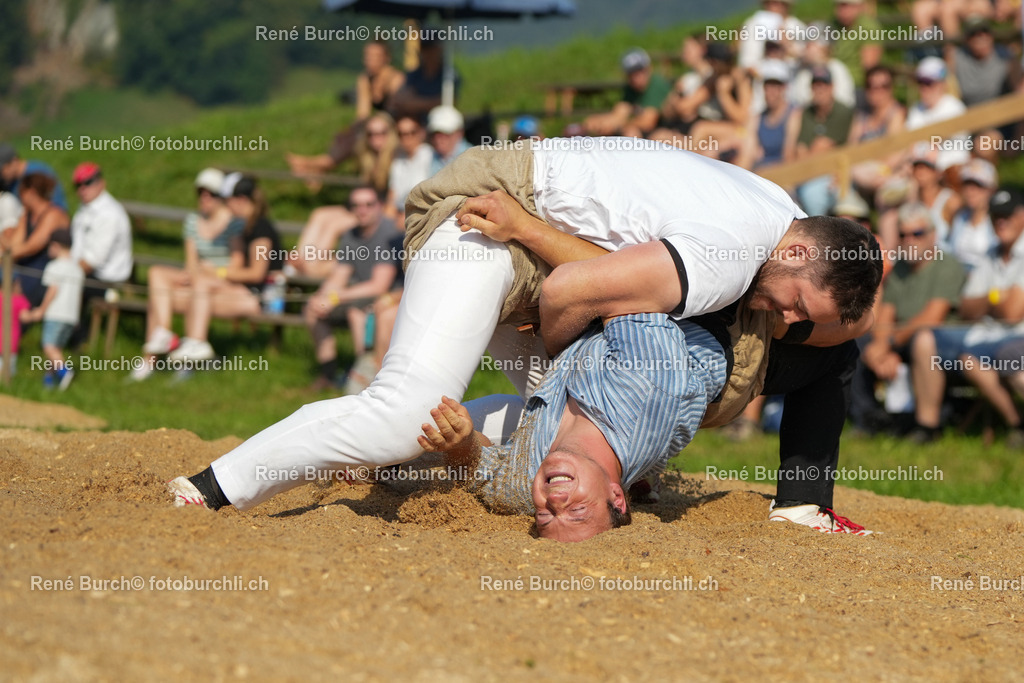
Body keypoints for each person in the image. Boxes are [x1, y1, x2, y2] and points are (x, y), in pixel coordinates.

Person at [166, 141, 882, 517]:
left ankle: (375, 466)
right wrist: (532, 238)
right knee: (405, 411)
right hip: (492, 213)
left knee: (537, 445)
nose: (785, 322)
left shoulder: (779, 211)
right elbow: (577, 288)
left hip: (528, 234)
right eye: (798, 307)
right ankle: (213, 485)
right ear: (795, 253)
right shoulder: (731, 260)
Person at [909, 188, 1024, 442]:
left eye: (1007, 215)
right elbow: (966, 308)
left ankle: (1017, 423)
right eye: (996, 215)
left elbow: (1014, 313)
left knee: (972, 360)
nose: (1001, 221)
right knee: (926, 338)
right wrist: (997, 297)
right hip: (982, 333)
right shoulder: (990, 254)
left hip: (1014, 338)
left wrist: (988, 301)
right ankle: (927, 427)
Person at [851, 204, 967, 434]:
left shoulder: (947, 264)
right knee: (856, 344)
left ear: (933, 235)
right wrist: (881, 346)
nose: (909, 239)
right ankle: (868, 417)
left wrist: (890, 345)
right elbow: (886, 313)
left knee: (921, 341)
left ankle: (926, 425)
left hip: (936, 341)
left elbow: (933, 316)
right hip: (900, 338)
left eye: (917, 233)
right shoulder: (901, 267)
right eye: (903, 234)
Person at [132, 169, 241, 381]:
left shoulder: (233, 223)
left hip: (222, 283)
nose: (204, 198)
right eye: (200, 192)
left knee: (162, 296)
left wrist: (211, 271)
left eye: (210, 193)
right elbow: (190, 262)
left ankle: (159, 359)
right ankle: (164, 332)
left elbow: (236, 265)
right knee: (157, 274)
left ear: (221, 197)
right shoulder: (193, 220)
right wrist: (195, 273)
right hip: (199, 278)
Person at [165, 174, 283, 363]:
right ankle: (192, 351)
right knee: (192, 296)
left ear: (241, 200)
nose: (224, 206)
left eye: (227, 201)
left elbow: (256, 273)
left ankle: (196, 344)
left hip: (261, 299)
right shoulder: (245, 226)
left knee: (200, 288)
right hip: (244, 292)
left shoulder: (261, 229)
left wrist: (216, 272)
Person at [305, 186, 402, 391]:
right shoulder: (350, 234)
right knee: (312, 310)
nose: (362, 210)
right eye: (356, 205)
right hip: (359, 293)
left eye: (368, 204)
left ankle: (364, 373)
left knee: (355, 311)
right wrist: (322, 297)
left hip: (389, 296)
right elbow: (340, 274)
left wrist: (336, 296)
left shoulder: (388, 233)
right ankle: (328, 374)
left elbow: (379, 285)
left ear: (380, 206)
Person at [286, 40, 405, 178]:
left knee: (362, 136)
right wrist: (348, 131)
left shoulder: (395, 79)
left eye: (375, 56)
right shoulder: (365, 79)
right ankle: (319, 166)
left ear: (387, 58)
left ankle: (316, 165)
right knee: (348, 136)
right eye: (367, 56)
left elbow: (396, 113)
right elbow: (362, 115)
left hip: (396, 126)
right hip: (379, 125)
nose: (370, 60)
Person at [67, 162, 133, 344]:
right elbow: (78, 250)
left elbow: (94, 260)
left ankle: (73, 338)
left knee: (67, 281)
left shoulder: (109, 214)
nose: (82, 189)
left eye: (87, 183)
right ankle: (62, 337)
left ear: (101, 183)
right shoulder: (84, 210)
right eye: (78, 185)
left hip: (109, 278)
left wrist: (67, 271)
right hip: (90, 273)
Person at [20, 229, 83, 390]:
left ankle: (64, 372)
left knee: (48, 346)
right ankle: (49, 381)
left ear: (56, 246)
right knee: (57, 349)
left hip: (56, 313)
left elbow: (53, 290)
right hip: (71, 316)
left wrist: (41, 309)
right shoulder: (78, 269)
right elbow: (79, 295)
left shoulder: (54, 266)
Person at [0, 173, 69, 307]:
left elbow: (32, 246)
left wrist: (3, 255)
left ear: (31, 192)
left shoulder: (53, 214)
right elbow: (13, 245)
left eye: (21, 193)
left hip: (46, 270)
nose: (19, 197)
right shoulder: (27, 215)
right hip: (26, 268)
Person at [795, 66, 855, 216]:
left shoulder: (843, 111)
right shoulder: (807, 113)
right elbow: (801, 150)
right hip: (810, 172)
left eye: (823, 85)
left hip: (837, 173)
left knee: (813, 196)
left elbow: (821, 147)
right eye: (816, 85)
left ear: (832, 87)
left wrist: (808, 155)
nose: (819, 89)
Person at [583, 48, 671, 138]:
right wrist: (599, 122)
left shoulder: (656, 85)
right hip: (651, 135)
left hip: (669, 134)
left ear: (649, 68)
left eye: (639, 71)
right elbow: (619, 113)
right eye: (631, 73)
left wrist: (618, 125)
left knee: (630, 133)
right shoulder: (631, 89)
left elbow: (648, 122)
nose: (635, 77)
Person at [906, 57, 969, 173]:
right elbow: (911, 146)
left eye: (929, 83)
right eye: (920, 82)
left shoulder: (955, 108)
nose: (924, 88)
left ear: (942, 84)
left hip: (949, 171)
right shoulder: (916, 109)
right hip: (920, 169)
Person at [738, 59, 800, 170]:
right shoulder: (757, 118)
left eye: (776, 86)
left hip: (781, 175)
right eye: (768, 85)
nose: (771, 91)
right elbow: (747, 153)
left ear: (784, 88)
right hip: (760, 173)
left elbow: (789, 155)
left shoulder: (793, 115)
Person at [951, 16, 1018, 107]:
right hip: (971, 116)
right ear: (966, 40)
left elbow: (1018, 89)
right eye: (974, 34)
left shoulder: (1004, 56)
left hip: (1004, 112)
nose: (980, 37)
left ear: (991, 36)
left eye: (984, 32)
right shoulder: (958, 58)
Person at [948, 158, 999, 270]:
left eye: (978, 186)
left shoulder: (999, 220)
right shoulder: (959, 218)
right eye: (967, 185)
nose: (971, 191)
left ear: (991, 190)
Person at [385, 115, 432, 224]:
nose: (406, 138)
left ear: (421, 133)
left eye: (412, 132)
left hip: (420, 212)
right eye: (401, 134)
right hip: (400, 212)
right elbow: (392, 195)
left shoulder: (429, 155)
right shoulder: (398, 159)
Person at [831, 0, 883, 92]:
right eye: (840, 5)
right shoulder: (832, 25)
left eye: (846, 5)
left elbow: (869, 66)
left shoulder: (868, 27)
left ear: (858, 7)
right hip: (832, 82)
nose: (842, 10)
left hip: (856, 85)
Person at [0, 142, 68, 212]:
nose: (1, 175)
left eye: (2, 170)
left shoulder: (39, 173)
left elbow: (56, 203)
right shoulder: (9, 183)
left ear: (14, 161)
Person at [427, 105, 470, 175]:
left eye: (446, 133)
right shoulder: (430, 156)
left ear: (459, 133)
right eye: (435, 133)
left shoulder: (472, 158)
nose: (438, 139)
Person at [0, 278, 30, 376]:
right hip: (10, 342)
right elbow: (25, 317)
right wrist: (41, 311)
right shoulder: (18, 299)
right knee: (7, 374)